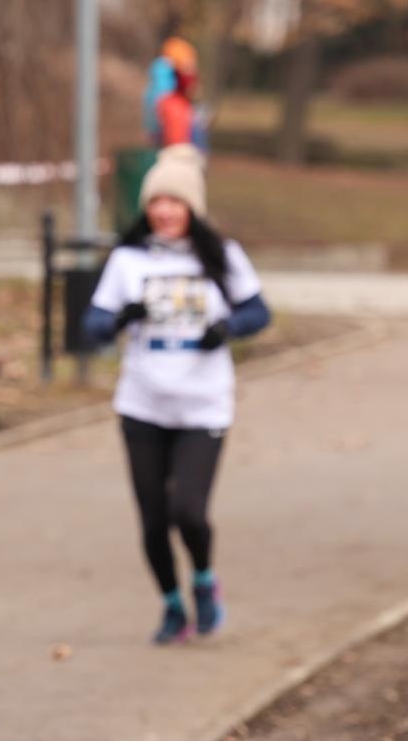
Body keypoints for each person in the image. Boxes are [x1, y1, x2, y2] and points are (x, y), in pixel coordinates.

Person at [82, 144, 272, 644]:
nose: (164, 211)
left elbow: (259, 312)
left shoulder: (222, 257)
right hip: (142, 405)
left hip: (203, 404)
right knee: (152, 520)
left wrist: (226, 328)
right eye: (156, 202)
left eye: (175, 202)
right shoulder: (128, 260)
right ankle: (172, 605)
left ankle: (205, 581)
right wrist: (122, 317)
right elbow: (94, 324)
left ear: (193, 207)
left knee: (188, 510)